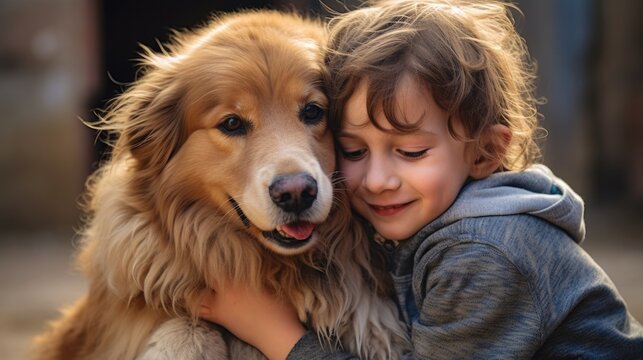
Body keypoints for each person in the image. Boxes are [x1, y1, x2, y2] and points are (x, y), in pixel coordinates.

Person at [199, 0, 643, 358]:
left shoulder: (483, 255)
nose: (376, 180)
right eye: (353, 151)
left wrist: (275, 333)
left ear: (487, 151)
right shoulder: (422, 219)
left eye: (410, 152)